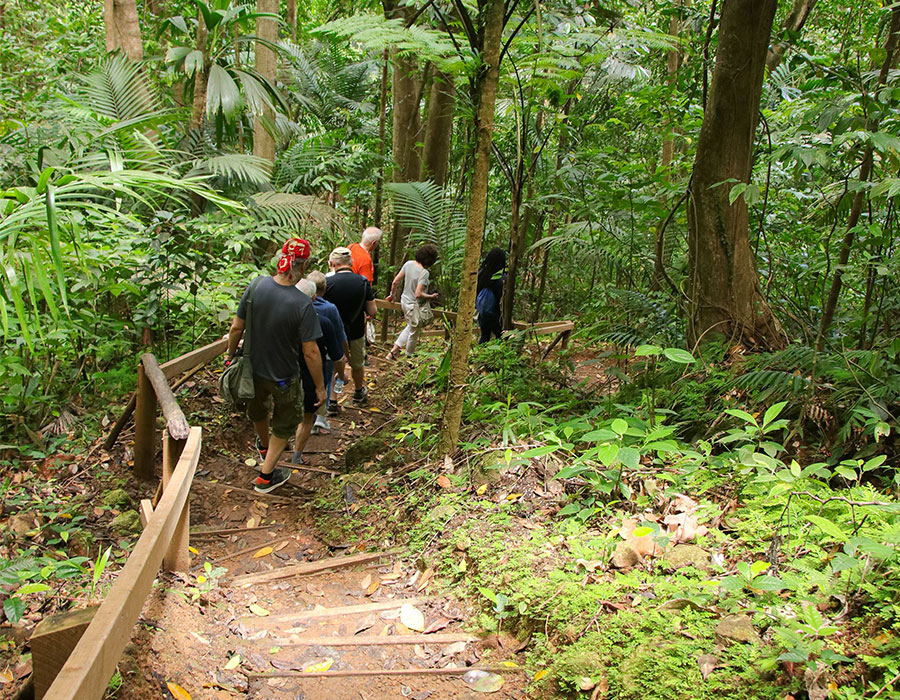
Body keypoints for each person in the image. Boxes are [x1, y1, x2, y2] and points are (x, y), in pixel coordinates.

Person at [226, 238, 326, 493]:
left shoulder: (256, 286)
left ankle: (263, 445)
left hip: (253, 370)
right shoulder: (302, 303)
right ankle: (266, 477)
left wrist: (229, 355)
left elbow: (237, 326)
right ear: (303, 267)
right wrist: (320, 387)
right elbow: (311, 352)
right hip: (284, 375)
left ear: (280, 259)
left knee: (258, 409)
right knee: (284, 422)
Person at [292, 280, 346, 464]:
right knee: (307, 418)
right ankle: (296, 457)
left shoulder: (282, 318)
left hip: (283, 373)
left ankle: (273, 451)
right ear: (314, 297)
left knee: (284, 413)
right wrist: (341, 375)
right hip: (311, 377)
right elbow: (337, 356)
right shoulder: (323, 322)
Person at [324, 247, 377, 407]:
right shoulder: (362, 282)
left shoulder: (326, 283)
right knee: (357, 364)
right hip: (355, 331)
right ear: (351, 263)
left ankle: (332, 400)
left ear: (332, 263)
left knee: (334, 364)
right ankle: (359, 392)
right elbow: (372, 310)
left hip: (332, 334)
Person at [306, 270, 345, 433]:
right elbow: (339, 333)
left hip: (303, 353)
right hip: (326, 352)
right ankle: (320, 418)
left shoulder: (298, 306)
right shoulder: (330, 309)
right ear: (324, 288)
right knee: (326, 381)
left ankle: (308, 417)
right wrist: (343, 354)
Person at [385, 244, 439, 360]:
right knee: (414, 332)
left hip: (404, 301)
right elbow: (418, 293)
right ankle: (408, 358)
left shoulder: (408, 264)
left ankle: (392, 352)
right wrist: (431, 296)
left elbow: (395, 282)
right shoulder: (424, 273)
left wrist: (392, 295)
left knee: (410, 327)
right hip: (414, 305)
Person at [476, 247, 506, 344]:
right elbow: (501, 297)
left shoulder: (481, 274)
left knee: (485, 335)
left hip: (482, 312)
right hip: (494, 314)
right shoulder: (500, 279)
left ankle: (478, 354)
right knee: (501, 336)